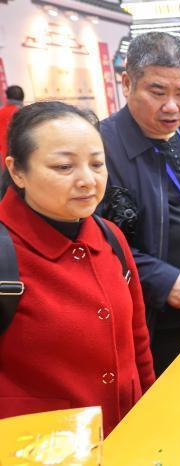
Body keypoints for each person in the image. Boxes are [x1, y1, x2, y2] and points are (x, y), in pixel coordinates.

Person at [0, 101, 155, 434]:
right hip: (42, 447)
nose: (87, 180)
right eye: (64, 167)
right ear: (17, 172)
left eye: (97, 164)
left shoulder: (109, 235)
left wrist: (149, 411)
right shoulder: (6, 254)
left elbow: (137, 340)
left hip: (126, 433)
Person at [99, 32, 180, 376]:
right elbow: (95, 239)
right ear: (127, 83)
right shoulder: (101, 147)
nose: (172, 106)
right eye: (157, 92)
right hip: (155, 320)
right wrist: (158, 278)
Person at [0, 85, 24, 166]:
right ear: (22, 97)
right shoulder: (24, 111)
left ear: (7, 97)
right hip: (22, 152)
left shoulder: (1, 112)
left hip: (6, 154)